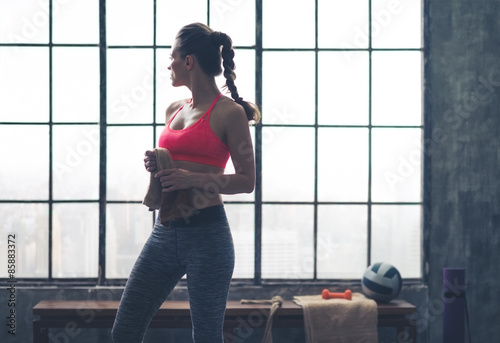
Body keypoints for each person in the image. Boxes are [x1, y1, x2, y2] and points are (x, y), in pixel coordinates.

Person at [111, 22, 260, 343]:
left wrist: (193, 178)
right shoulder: (173, 109)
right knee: (124, 330)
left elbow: (247, 181)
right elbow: (176, 162)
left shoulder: (229, 113)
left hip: (209, 239)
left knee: (206, 337)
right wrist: (157, 163)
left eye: (172, 57)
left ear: (189, 61)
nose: (169, 64)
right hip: (164, 232)